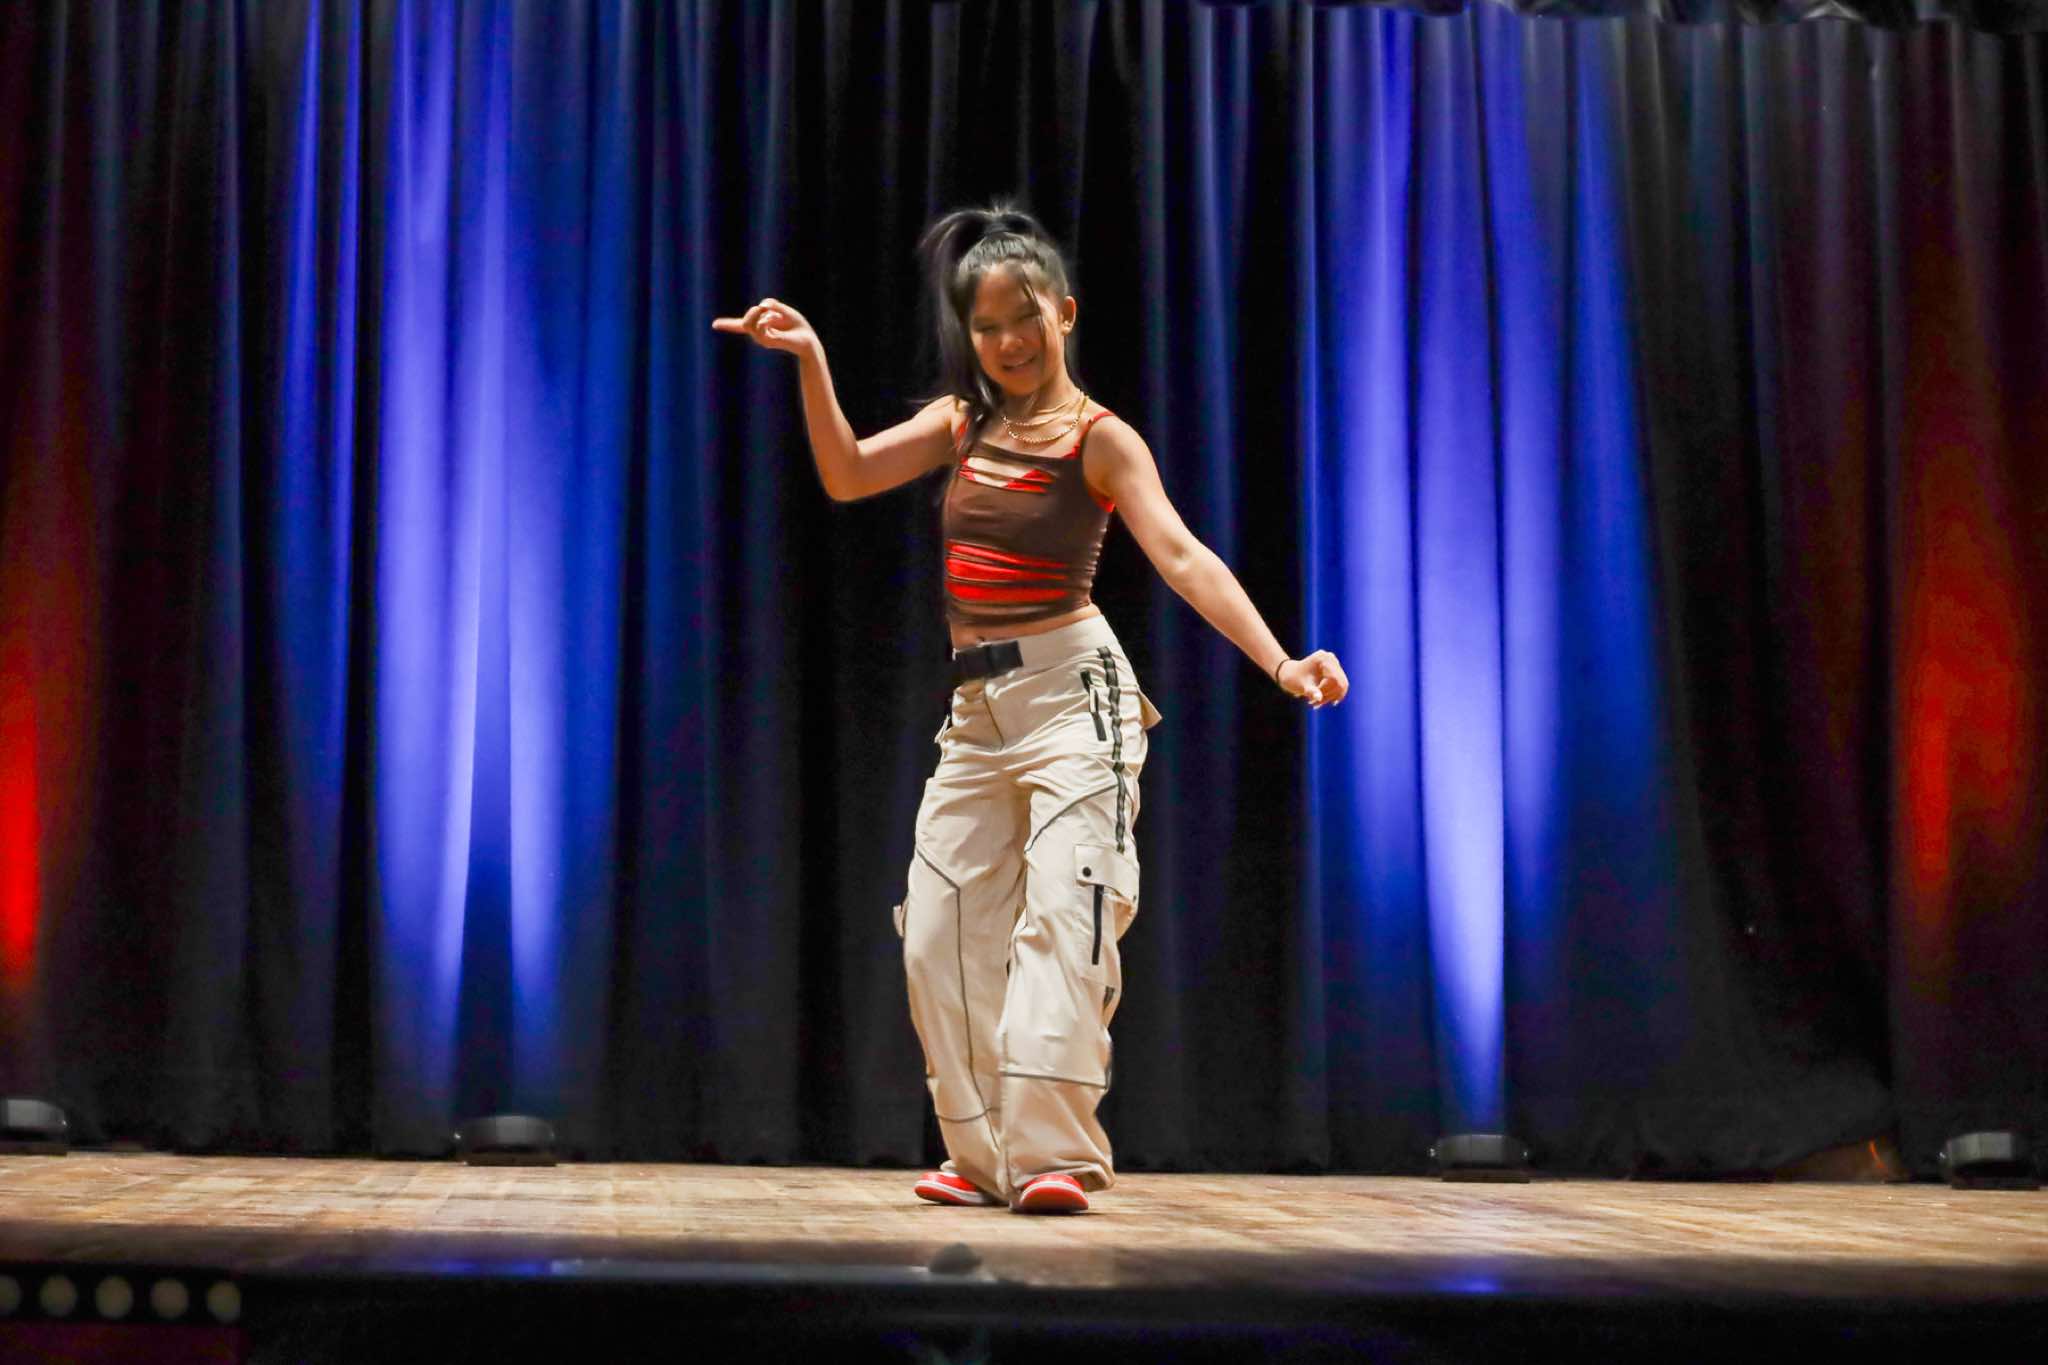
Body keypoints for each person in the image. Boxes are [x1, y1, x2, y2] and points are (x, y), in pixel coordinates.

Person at [714, 203, 1347, 1214]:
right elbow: (846, 474)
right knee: (936, 930)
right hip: (977, 713)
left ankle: (1055, 1153)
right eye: (986, 325)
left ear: (1064, 313)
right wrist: (811, 359)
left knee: (1067, 912)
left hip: (1074, 698)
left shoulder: (1102, 440)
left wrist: (1280, 663)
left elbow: (1181, 556)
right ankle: (980, 1156)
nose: (1007, 341)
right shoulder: (960, 423)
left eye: (1024, 318)